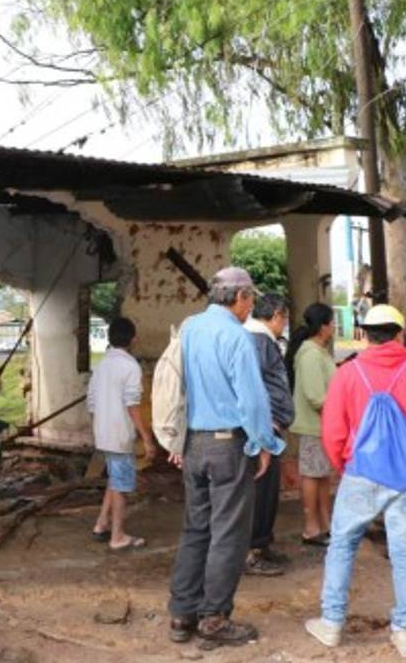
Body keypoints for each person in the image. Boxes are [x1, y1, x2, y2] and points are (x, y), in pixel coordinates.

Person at [305, 305, 406, 660]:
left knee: (342, 545)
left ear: (365, 335)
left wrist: (344, 465)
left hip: (361, 471)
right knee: (403, 552)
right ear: (400, 334)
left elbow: (333, 430)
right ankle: (404, 632)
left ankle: (332, 623)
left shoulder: (347, 372)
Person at [167, 267, 285, 650]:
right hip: (227, 446)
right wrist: (263, 443)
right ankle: (214, 618)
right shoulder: (237, 336)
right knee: (229, 534)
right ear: (239, 297)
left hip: (194, 443)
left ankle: (182, 614)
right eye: (250, 299)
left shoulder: (190, 329)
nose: (251, 306)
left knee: (195, 529)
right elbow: (252, 400)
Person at [88, 317, 157, 550]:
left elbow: (91, 403)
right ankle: (117, 536)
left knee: (115, 479)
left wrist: (100, 427)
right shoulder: (130, 366)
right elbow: (132, 405)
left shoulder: (101, 366)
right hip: (119, 435)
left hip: (103, 433)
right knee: (121, 485)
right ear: (133, 339)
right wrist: (147, 438)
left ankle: (101, 523)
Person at [243, 293, 295, 577]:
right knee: (261, 492)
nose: (284, 324)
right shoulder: (258, 341)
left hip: (267, 427)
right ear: (276, 315)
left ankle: (261, 545)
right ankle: (252, 551)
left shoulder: (260, 340)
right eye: (284, 319)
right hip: (265, 429)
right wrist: (265, 427)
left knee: (268, 492)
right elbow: (252, 387)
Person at [286, 302, 337, 548]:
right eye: (332, 322)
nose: (334, 327)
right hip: (313, 426)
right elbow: (316, 397)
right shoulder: (310, 354)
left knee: (322, 476)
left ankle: (326, 525)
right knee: (312, 475)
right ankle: (311, 528)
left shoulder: (318, 351)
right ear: (323, 326)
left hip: (323, 426)